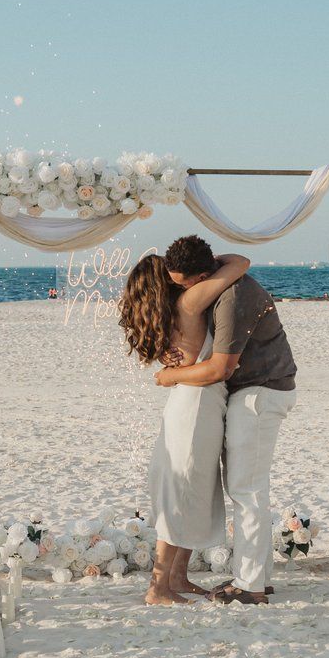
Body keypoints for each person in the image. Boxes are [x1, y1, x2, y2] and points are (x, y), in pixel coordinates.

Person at [154, 235, 296, 605]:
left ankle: (249, 587)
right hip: (256, 391)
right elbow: (236, 259)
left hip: (259, 393)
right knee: (250, 489)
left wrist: (171, 377)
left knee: (246, 491)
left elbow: (220, 367)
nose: (180, 292)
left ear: (202, 276)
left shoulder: (232, 299)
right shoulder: (225, 282)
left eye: (183, 283)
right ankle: (258, 579)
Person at [117, 247, 249, 605]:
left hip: (192, 403)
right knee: (181, 493)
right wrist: (209, 263)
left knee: (191, 491)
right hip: (196, 407)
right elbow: (240, 263)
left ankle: (177, 577)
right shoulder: (189, 303)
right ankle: (158, 587)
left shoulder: (170, 315)